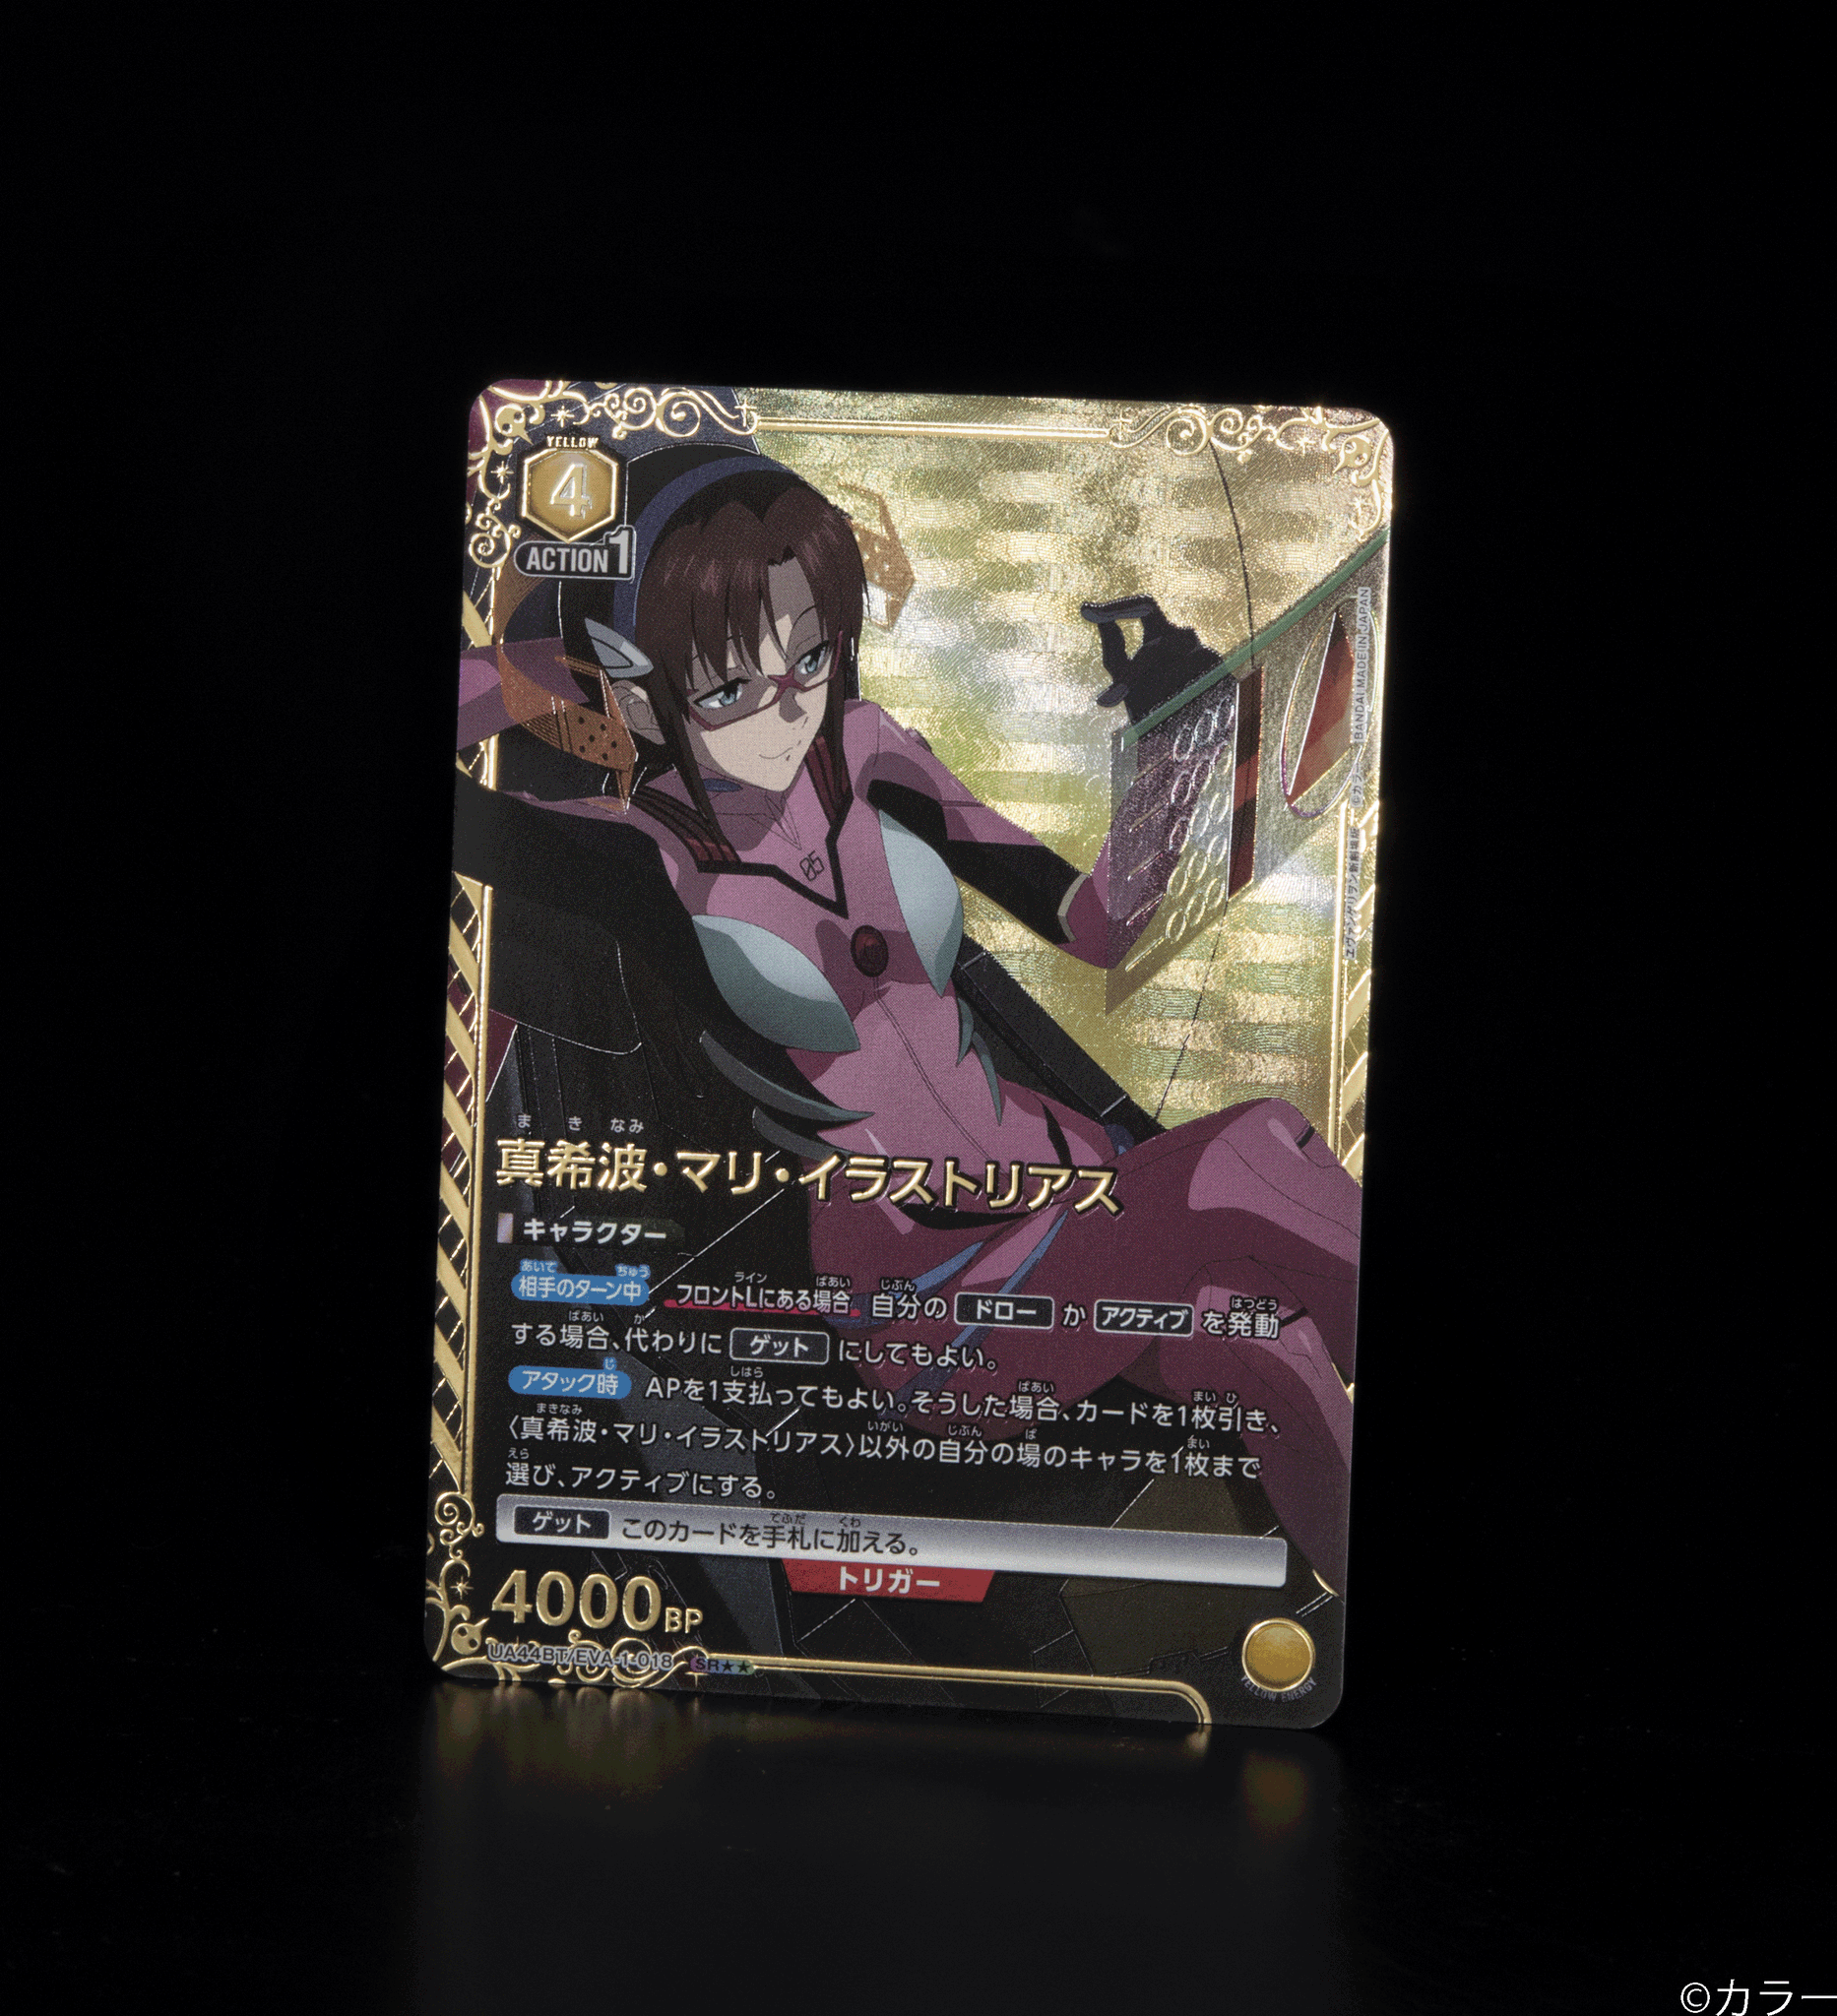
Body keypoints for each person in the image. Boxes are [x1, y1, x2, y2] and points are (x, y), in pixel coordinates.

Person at [468, 442, 1361, 1592]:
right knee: (1248, 1152)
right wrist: (549, 661)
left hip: (1075, 1184)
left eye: (809, 658)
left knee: (1268, 1346)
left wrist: (1176, 754)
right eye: (728, 687)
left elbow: (1093, 923)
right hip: (933, 1293)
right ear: (640, 692)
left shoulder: (870, 748)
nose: (784, 709)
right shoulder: (642, 859)